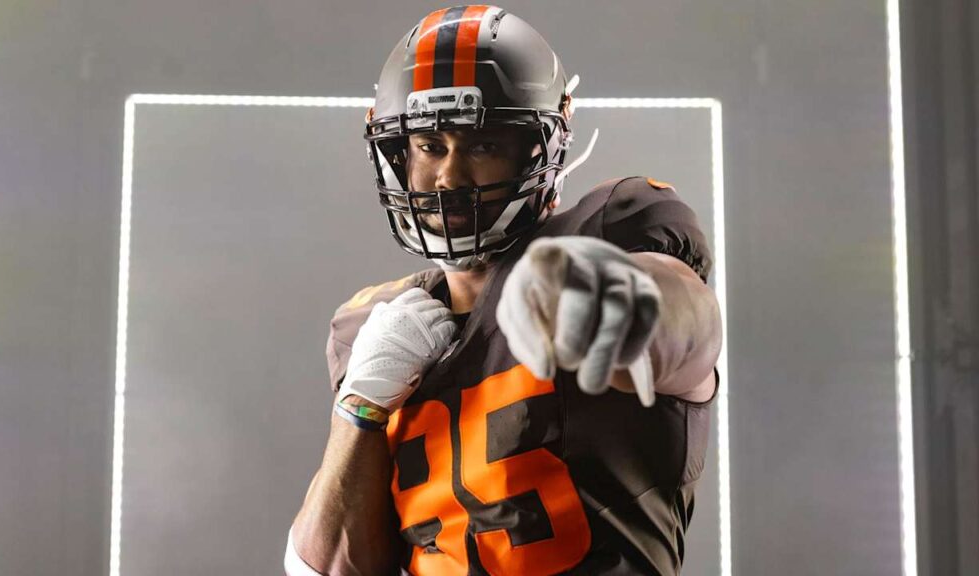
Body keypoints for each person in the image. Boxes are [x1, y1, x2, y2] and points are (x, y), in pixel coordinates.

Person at [288, 5, 722, 575]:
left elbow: (692, 331)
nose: (449, 176)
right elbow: (324, 570)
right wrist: (359, 411)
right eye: (430, 146)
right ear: (396, 154)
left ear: (539, 150)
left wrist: (630, 305)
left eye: (482, 146)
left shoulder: (609, 234)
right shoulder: (371, 327)